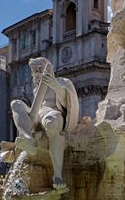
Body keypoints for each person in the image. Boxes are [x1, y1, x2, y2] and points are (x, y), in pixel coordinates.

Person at [10, 57, 79, 189]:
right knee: (15, 103)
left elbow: (69, 104)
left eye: (38, 70)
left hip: (53, 112)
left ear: (47, 68)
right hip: (37, 115)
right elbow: (36, 108)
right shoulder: (36, 88)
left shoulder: (62, 81)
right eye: (33, 71)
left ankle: (57, 175)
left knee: (51, 123)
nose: (36, 73)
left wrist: (56, 87)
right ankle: (27, 138)